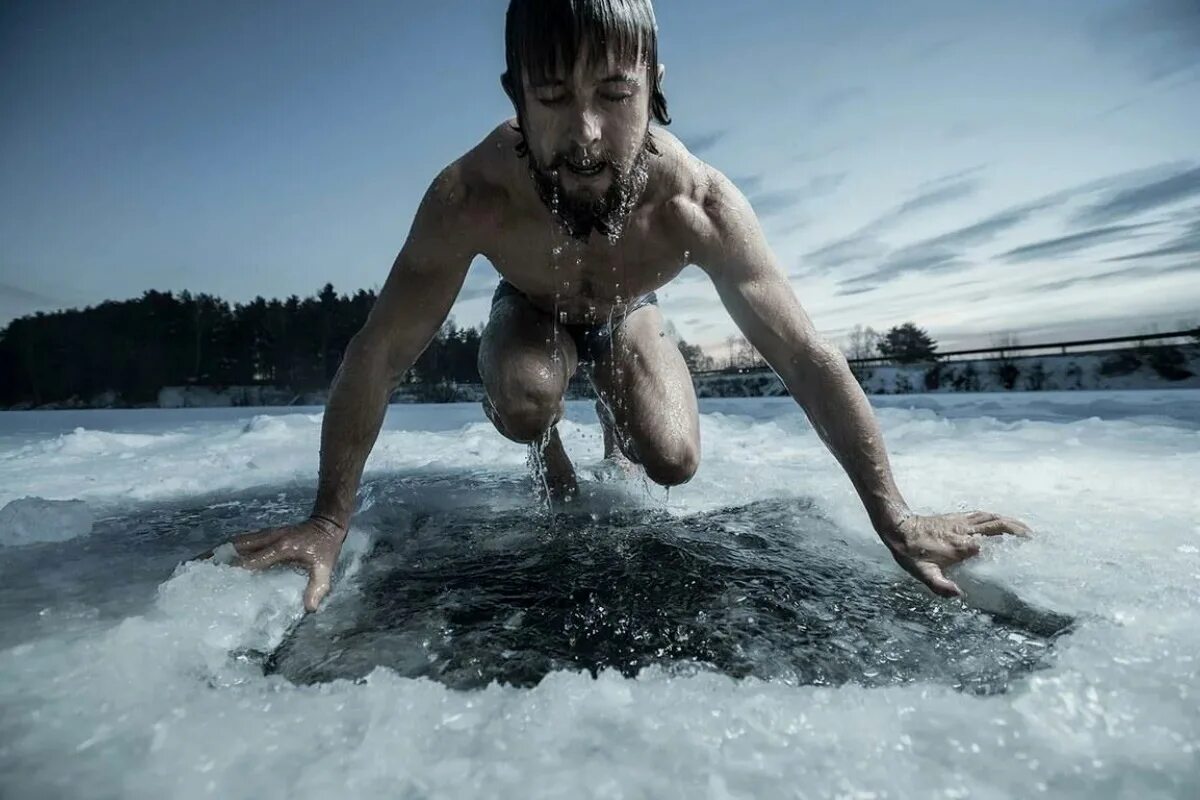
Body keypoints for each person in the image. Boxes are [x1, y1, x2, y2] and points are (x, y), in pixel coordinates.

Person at [214, 0, 1031, 612]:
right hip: (529, 309)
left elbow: (806, 357)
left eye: (614, 93)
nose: (587, 135)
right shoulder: (471, 195)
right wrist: (327, 521)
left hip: (630, 312)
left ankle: (613, 400)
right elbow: (380, 349)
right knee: (529, 397)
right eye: (554, 96)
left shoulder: (696, 204)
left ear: (654, 90)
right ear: (515, 96)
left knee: (672, 460)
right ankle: (549, 447)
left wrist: (895, 516)